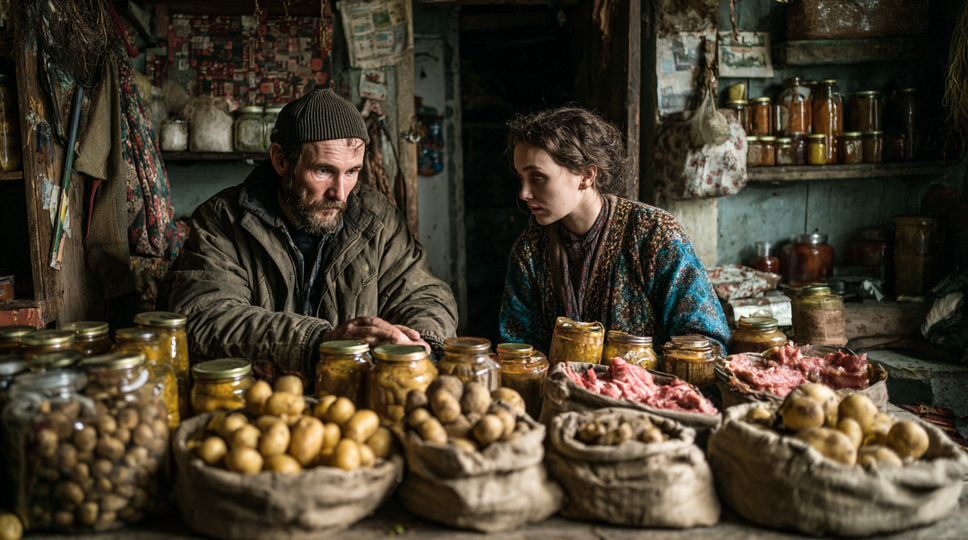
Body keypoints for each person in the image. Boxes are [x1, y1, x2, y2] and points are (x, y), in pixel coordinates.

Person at [166, 88, 458, 377]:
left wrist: (425, 343)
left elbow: (424, 294)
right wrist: (319, 343)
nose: (340, 193)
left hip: (353, 401)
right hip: (259, 403)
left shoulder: (378, 219)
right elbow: (204, 318)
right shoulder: (222, 220)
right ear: (281, 160)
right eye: (323, 171)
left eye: (352, 172)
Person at [499, 106, 731, 356]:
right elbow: (519, 349)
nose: (524, 193)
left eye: (537, 177)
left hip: (650, 391)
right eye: (522, 178)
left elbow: (707, 341)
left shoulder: (654, 233)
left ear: (586, 176)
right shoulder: (530, 249)